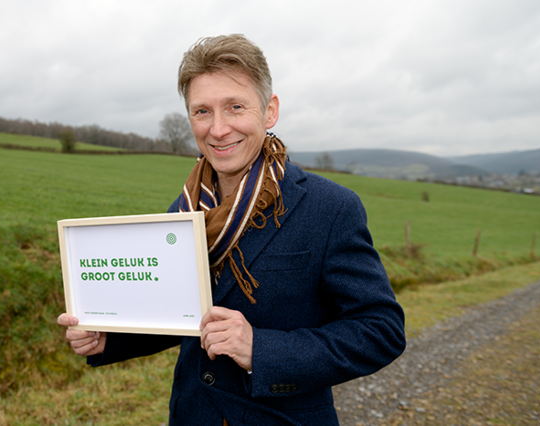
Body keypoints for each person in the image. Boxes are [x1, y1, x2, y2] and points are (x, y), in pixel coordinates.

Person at [58, 34, 405, 425]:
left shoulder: (330, 208)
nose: (218, 129)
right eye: (202, 112)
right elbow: (183, 314)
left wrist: (261, 349)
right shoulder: (187, 208)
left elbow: (381, 331)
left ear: (269, 111)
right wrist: (110, 338)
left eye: (235, 107)